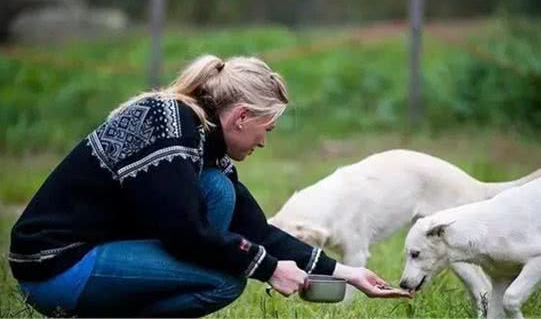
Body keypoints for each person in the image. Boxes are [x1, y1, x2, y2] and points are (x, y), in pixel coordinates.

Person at [9, 55, 411, 317]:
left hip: (100, 250)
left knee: (218, 190)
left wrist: (347, 272)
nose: (264, 141)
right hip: (55, 267)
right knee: (222, 280)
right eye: (265, 129)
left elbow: (255, 228)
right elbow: (184, 233)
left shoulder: (203, 138)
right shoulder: (169, 127)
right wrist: (269, 269)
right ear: (241, 116)